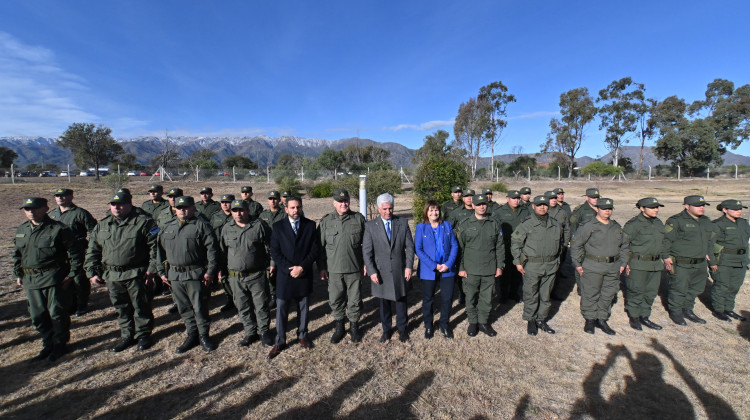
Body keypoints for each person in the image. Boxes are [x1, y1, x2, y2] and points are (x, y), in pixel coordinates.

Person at [86, 192, 157, 352]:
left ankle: (144, 334)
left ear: (129, 204)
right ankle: (127, 335)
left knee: (141, 305)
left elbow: (155, 248)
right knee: (121, 307)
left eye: (121, 204)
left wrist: (152, 270)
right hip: (112, 275)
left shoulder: (144, 223)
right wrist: (92, 271)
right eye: (113, 204)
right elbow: (93, 250)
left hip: (136, 273)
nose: (116, 207)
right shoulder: (102, 225)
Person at [14, 197, 83, 361]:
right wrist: (18, 273)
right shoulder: (22, 229)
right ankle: (47, 343)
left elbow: (76, 253)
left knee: (57, 313)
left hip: (53, 277)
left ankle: (60, 344)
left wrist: (71, 275)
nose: (30, 212)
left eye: (35, 208)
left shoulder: (58, 229)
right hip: (30, 279)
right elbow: (17, 254)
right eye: (27, 209)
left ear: (45, 208)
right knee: (37, 315)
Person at [157, 196, 219, 353]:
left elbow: (212, 250)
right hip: (175, 275)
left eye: (186, 207)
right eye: (179, 208)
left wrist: (210, 271)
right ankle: (192, 334)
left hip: (195, 274)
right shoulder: (167, 227)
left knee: (200, 307)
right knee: (183, 307)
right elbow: (158, 251)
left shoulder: (201, 226)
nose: (182, 210)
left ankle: (204, 335)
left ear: (193, 208)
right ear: (175, 209)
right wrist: (161, 271)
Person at [268, 196, 320, 359]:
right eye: (292, 208)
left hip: (303, 273)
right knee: (282, 308)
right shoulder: (277, 227)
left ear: (301, 207)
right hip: (285, 275)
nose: (296, 210)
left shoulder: (310, 225)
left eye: (298, 207)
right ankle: (280, 340)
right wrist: (288, 269)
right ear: (286, 209)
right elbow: (275, 251)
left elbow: (315, 249)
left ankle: (302, 335)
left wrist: (302, 267)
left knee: (303, 307)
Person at [220, 199, 274, 347]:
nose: (238, 214)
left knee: (261, 305)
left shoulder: (259, 226)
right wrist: (221, 271)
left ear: (248, 210)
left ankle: (264, 332)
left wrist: (272, 264)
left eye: (241, 210)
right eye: (235, 211)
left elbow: (272, 246)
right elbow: (223, 252)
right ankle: (250, 332)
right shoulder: (227, 228)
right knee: (243, 306)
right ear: (231, 212)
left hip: (256, 275)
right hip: (235, 277)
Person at [570, 198, 629, 335]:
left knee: (608, 294)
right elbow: (576, 245)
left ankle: (602, 319)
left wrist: (623, 263)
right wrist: (577, 264)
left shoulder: (616, 227)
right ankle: (590, 319)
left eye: (610, 208)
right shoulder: (588, 226)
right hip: (593, 265)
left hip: (613, 266)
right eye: (604, 208)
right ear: (597, 209)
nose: (607, 211)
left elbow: (624, 246)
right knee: (590, 293)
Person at [363, 193, 415, 343]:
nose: (388, 212)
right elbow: (367, 251)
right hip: (381, 271)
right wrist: (372, 271)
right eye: (385, 209)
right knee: (384, 303)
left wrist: (409, 266)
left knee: (401, 301)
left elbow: (409, 247)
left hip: (400, 269)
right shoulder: (370, 226)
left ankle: (402, 329)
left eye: (390, 208)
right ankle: (386, 330)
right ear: (379, 208)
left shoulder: (402, 223)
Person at [317, 189, 367, 344]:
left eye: (346, 201)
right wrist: (321, 267)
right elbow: (319, 247)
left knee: (355, 300)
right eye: (340, 201)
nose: (343, 204)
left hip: (354, 269)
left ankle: (354, 327)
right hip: (334, 270)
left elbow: (367, 245)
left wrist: (366, 263)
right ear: (334, 203)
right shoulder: (326, 222)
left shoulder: (358, 219)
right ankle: (339, 327)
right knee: (336, 299)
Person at [511, 195, 564, 335]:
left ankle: (541, 319)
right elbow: (515, 243)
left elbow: (560, 244)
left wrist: (557, 260)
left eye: (545, 205)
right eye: (539, 205)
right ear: (533, 206)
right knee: (531, 294)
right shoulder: (526, 224)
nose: (542, 207)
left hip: (551, 265)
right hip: (532, 266)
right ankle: (531, 319)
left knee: (546, 295)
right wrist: (517, 262)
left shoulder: (556, 224)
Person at [663, 195, 717, 326]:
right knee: (679, 289)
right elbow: (666, 240)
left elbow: (710, 242)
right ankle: (676, 312)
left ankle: (687, 310)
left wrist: (711, 259)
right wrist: (665, 256)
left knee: (695, 288)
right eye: (698, 206)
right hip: (682, 263)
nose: (702, 208)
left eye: (703, 205)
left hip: (700, 263)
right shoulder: (676, 221)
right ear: (687, 206)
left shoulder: (706, 221)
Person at [455, 193, 504, 337]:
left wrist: (500, 266)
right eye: (478, 204)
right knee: (470, 297)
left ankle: (483, 322)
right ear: (473, 206)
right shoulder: (464, 224)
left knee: (486, 298)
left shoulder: (494, 223)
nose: (482, 207)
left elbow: (500, 247)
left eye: (484, 204)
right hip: (470, 269)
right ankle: (473, 322)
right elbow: (460, 249)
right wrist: (461, 268)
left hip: (489, 268)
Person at [48, 188, 97, 316]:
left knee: (79, 279)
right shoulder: (52, 215)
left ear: (71, 197)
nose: (60, 198)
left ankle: (82, 305)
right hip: (59, 252)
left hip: (78, 250)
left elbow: (94, 231)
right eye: (57, 196)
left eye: (63, 196)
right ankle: (70, 304)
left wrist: (91, 248)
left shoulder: (80, 213)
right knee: (64, 279)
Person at [622, 197, 668, 331]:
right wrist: (626, 263)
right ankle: (634, 317)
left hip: (655, 264)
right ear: (642, 208)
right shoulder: (634, 224)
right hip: (638, 263)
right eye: (653, 207)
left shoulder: (658, 223)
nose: (656, 210)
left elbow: (663, 243)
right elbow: (624, 244)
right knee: (636, 291)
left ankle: (645, 316)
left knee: (650, 293)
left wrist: (665, 257)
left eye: (657, 207)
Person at [415, 200, 458, 339]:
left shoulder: (447, 226)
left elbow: (454, 246)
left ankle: (444, 324)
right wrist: (434, 265)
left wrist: (448, 264)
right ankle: (428, 325)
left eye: (436, 210)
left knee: (447, 298)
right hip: (429, 270)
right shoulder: (421, 228)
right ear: (426, 212)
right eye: (431, 210)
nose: (434, 213)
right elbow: (419, 250)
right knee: (428, 299)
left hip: (447, 269)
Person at [710, 199, 749, 322]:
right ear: (725, 210)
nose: (739, 211)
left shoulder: (743, 223)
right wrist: (712, 262)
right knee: (722, 286)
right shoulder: (717, 224)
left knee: (734, 286)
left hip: (741, 260)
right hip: (724, 261)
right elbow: (709, 245)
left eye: (740, 209)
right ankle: (719, 310)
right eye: (735, 209)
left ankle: (728, 308)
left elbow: (746, 243)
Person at [492, 190, 530, 303]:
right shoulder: (499, 212)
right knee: (505, 273)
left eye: (518, 198)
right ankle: (503, 295)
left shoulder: (525, 211)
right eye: (514, 198)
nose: (516, 200)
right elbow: (495, 229)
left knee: (517, 272)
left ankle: (514, 293)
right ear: (507, 198)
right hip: (505, 246)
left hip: (521, 247)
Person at [569, 187, 601, 295]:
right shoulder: (580, 211)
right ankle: (581, 288)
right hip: (584, 244)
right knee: (581, 266)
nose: (595, 199)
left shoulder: (601, 208)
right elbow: (573, 227)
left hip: (598, 244)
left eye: (597, 197)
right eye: (593, 197)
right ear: (587, 198)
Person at [259, 190, 287, 306]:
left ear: (279, 200)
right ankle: (273, 295)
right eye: (270, 199)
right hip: (267, 249)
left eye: (275, 198)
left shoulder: (285, 214)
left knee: (282, 273)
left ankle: (284, 295)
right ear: (267, 200)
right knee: (270, 273)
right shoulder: (263, 215)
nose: (273, 201)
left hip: (282, 249)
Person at [211, 194, 236, 312]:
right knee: (224, 277)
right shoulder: (215, 217)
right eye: (223, 202)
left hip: (234, 252)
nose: (225, 204)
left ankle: (238, 300)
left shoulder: (237, 216)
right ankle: (230, 299)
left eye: (228, 202)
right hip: (220, 252)